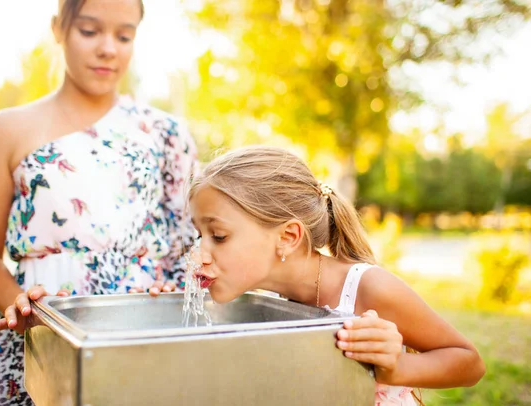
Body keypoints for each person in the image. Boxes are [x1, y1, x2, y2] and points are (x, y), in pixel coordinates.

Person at [0, 0, 197, 404]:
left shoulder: (167, 134)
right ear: (59, 28)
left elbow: (191, 247)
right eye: (89, 31)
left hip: (146, 340)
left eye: (124, 36)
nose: (109, 48)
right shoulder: (5, 130)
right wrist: (22, 309)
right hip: (42, 342)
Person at [185, 146, 485, 404]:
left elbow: (469, 362)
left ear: (288, 237)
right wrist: (164, 301)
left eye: (219, 235)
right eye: (199, 235)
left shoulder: (367, 288)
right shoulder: (269, 302)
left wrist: (395, 366)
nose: (199, 254)